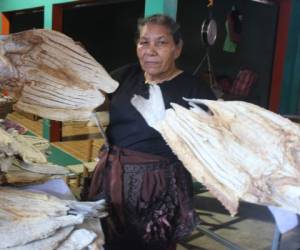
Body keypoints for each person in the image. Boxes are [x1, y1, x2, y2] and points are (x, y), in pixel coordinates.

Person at [87, 14, 216, 250]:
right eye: (144, 42)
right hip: (112, 180)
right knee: (108, 242)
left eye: (162, 42)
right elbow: (89, 93)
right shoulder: (126, 75)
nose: (151, 50)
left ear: (177, 49)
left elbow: (213, 139)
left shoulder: (194, 89)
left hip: (157, 190)